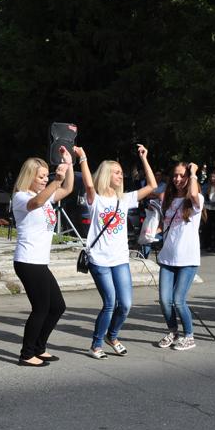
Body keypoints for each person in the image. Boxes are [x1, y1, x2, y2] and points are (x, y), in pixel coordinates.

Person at [75, 144, 156, 359]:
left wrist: (144, 159)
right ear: (106, 175)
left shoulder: (125, 199)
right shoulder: (96, 200)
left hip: (120, 259)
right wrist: (83, 158)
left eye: (122, 172)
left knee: (126, 305)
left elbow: (152, 185)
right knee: (110, 303)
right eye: (117, 172)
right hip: (99, 260)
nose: (121, 176)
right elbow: (89, 185)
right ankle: (96, 344)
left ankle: (113, 335)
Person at [12, 150, 74, 367]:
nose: (45, 179)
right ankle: (27, 354)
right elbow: (36, 203)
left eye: (47, 176)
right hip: (28, 261)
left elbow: (67, 188)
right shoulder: (21, 196)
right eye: (41, 176)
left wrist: (69, 164)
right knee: (41, 308)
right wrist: (56, 181)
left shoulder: (46, 196)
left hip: (40, 262)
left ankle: (39, 347)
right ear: (29, 176)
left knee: (57, 306)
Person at [156, 162, 204, 351]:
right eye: (175, 176)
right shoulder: (168, 199)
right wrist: (153, 232)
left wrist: (193, 172)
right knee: (164, 300)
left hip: (188, 259)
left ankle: (189, 336)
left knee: (178, 300)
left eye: (182, 176)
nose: (177, 179)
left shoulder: (196, 198)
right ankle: (172, 331)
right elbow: (165, 225)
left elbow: (192, 194)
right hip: (167, 257)